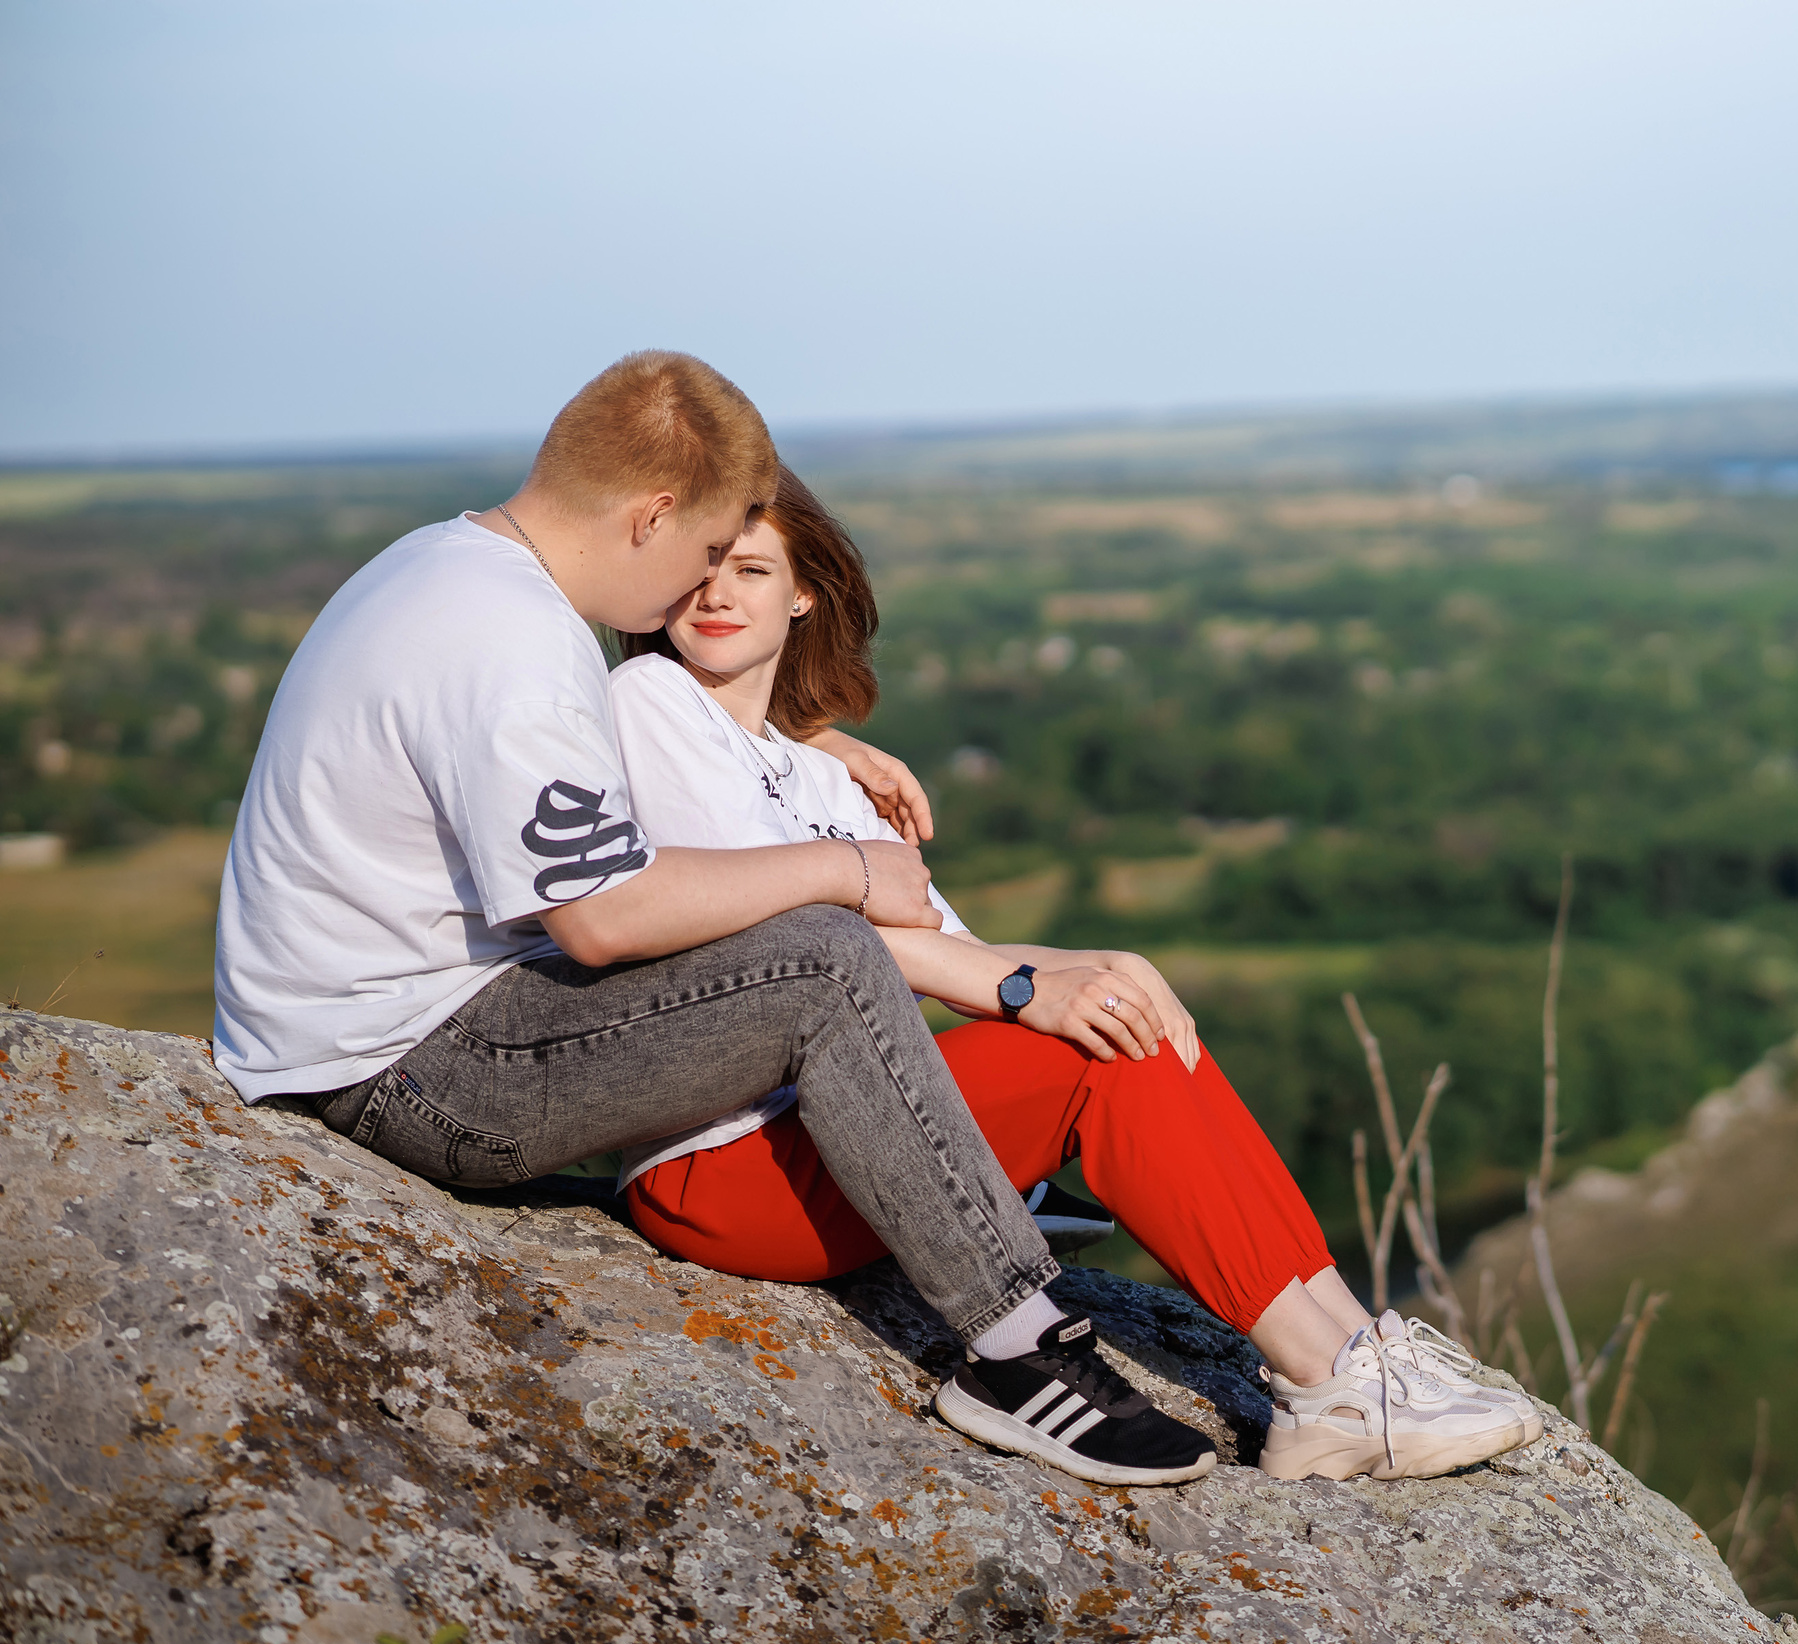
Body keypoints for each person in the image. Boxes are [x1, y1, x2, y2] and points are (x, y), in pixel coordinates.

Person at [212, 352, 1217, 1487]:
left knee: (793, 934)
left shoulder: (452, 568)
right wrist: (839, 864)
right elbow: (600, 917)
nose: (697, 592)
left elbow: (583, 767)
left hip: (350, 1028)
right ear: (651, 514)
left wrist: (807, 740)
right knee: (823, 961)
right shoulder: (517, 646)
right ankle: (1013, 1355)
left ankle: (961, 1199)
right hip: (404, 1071)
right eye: (701, 553)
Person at [602, 465, 1543, 1482]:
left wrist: (1104, 965)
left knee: (1128, 1014)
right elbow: (784, 929)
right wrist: (1026, 992)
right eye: (702, 567)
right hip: (728, 1159)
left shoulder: (830, 776)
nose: (718, 594)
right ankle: (1325, 1387)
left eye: (750, 568)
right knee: (1098, 1058)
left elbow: (959, 953)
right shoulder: (650, 702)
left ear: (803, 592)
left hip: (857, 1137)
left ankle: (1356, 1350)